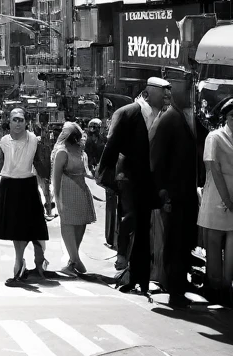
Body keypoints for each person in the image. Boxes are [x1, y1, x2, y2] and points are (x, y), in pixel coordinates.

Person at [97, 77, 171, 294]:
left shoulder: (163, 116)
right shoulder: (128, 113)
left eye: (168, 91)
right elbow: (112, 146)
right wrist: (108, 178)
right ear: (148, 94)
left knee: (144, 229)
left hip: (150, 182)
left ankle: (141, 277)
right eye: (162, 91)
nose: (167, 95)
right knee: (131, 221)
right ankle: (128, 267)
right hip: (129, 180)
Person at [149, 76, 205, 307]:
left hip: (186, 193)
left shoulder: (185, 117)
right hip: (173, 194)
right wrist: (162, 193)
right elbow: (156, 159)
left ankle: (180, 280)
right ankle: (175, 285)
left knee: (184, 240)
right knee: (175, 241)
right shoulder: (169, 119)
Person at [0, 106, 50, 284]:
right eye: (15, 119)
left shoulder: (34, 140)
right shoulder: (4, 141)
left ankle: (23, 262)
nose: (18, 123)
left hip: (28, 185)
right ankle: (20, 262)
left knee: (29, 227)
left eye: (21, 119)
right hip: (9, 186)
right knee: (15, 229)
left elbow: (41, 168)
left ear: (26, 122)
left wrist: (48, 196)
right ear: (10, 122)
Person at [197, 98, 233, 306]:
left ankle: (226, 288)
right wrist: (227, 200)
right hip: (217, 201)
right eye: (232, 115)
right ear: (225, 118)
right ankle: (215, 286)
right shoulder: (215, 137)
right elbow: (213, 169)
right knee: (213, 246)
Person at [51, 121, 96, 274]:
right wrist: (57, 199)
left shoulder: (81, 152)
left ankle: (73, 260)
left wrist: (94, 175)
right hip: (68, 191)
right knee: (68, 224)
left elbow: (86, 172)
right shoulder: (62, 152)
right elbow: (55, 178)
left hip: (81, 190)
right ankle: (75, 260)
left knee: (80, 224)